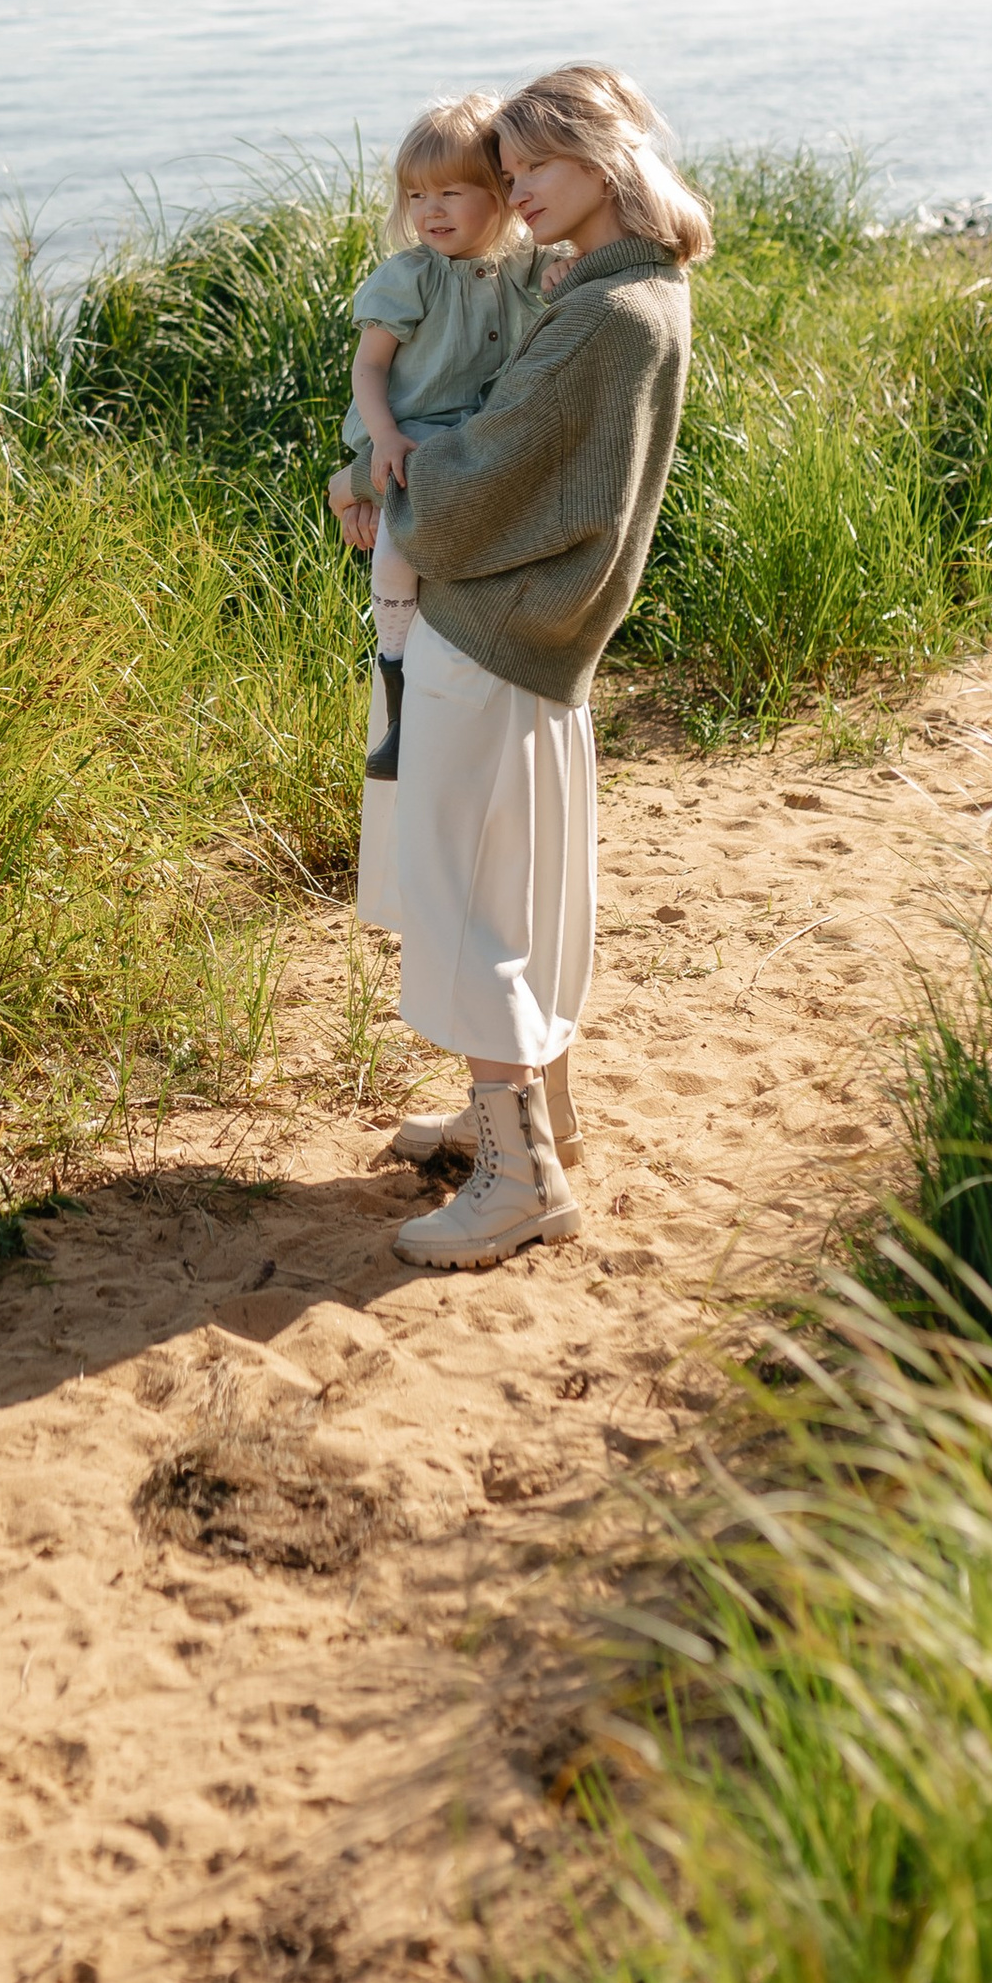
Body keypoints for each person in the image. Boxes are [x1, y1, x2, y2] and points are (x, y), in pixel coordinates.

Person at [330, 62, 711, 1271]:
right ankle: (537, 1117)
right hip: (542, 646)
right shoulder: (638, 291)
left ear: (603, 160)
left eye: (534, 167)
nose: (517, 192)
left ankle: (515, 1179)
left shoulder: (602, 317)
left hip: (492, 640)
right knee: (527, 893)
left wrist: (376, 483)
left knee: (465, 905)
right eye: (505, 175)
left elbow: (472, 487)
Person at [341, 96, 541, 782]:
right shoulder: (411, 277)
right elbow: (368, 369)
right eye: (417, 194)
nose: (431, 209)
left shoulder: (525, 267)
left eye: (452, 192)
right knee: (397, 542)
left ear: (503, 194)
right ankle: (393, 668)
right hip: (411, 429)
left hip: (476, 434)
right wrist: (385, 438)